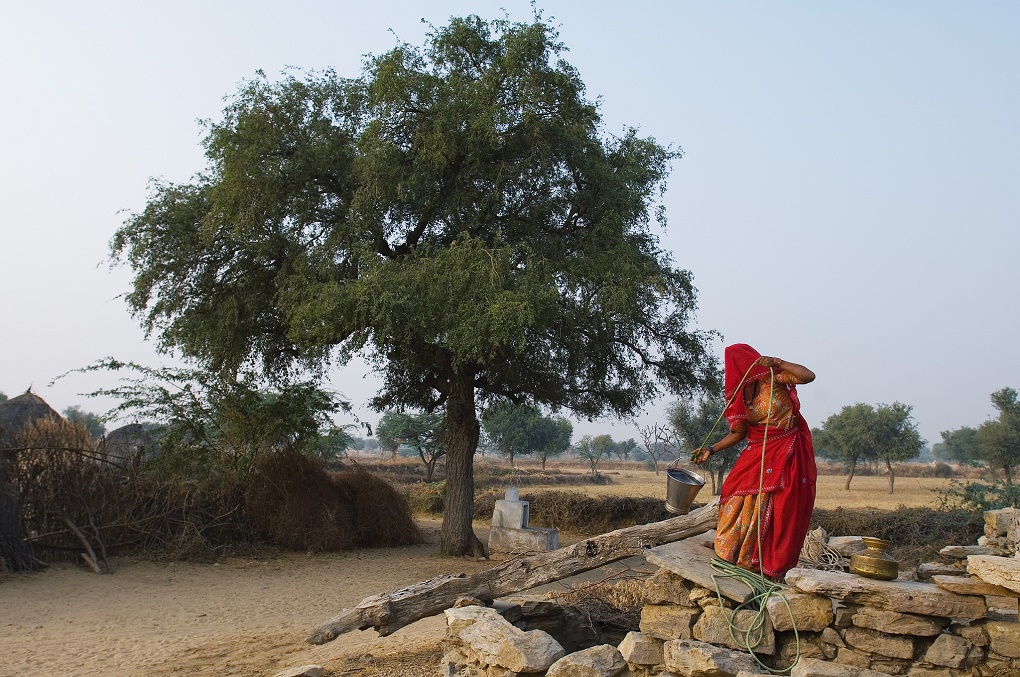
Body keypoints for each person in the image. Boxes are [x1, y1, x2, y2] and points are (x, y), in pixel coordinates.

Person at [691, 343, 817, 579]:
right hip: (758, 448)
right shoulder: (739, 394)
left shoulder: (773, 378)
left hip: (786, 448)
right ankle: (730, 549)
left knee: (777, 502)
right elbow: (738, 432)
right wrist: (711, 449)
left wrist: (778, 361)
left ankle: (762, 561)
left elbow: (808, 376)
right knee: (733, 490)